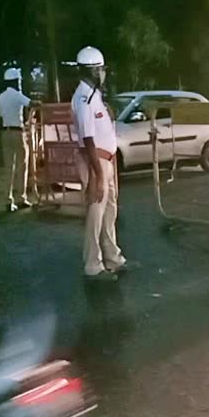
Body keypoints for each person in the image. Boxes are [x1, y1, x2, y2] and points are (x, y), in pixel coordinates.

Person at [71, 46, 129, 282]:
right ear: (93, 71)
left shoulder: (94, 96)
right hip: (96, 163)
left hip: (106, 161)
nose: (103, 73)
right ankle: (93, 265)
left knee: (109, 212)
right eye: (101, 69)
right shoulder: (84, 98)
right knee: (96, 213)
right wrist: (97, 176)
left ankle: (113, 258)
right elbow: (87, 139)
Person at [0, 67, 36, 211]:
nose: (20, 83)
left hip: (5, 133)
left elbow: (1, 115)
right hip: (18, 133)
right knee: (22, 166)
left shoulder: (0, 97)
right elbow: (32, 104)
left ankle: (8, 200)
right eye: (18, 80)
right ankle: (22, 198)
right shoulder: (17, 95)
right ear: (14, 81)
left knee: (9, 168)